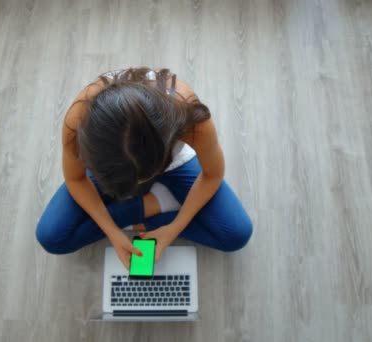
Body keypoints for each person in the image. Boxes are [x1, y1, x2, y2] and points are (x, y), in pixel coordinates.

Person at [36, 67, 252, 269]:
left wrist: (171, 229)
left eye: (143, 179)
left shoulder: (189, 115)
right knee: (51, 238)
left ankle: (146, 210)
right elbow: (76, 179)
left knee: (236, 234)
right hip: (110, 161)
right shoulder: (79, 119)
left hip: (175, 166)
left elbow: (213, 175)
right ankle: (152, 205)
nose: (138, 186)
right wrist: (113, 232)